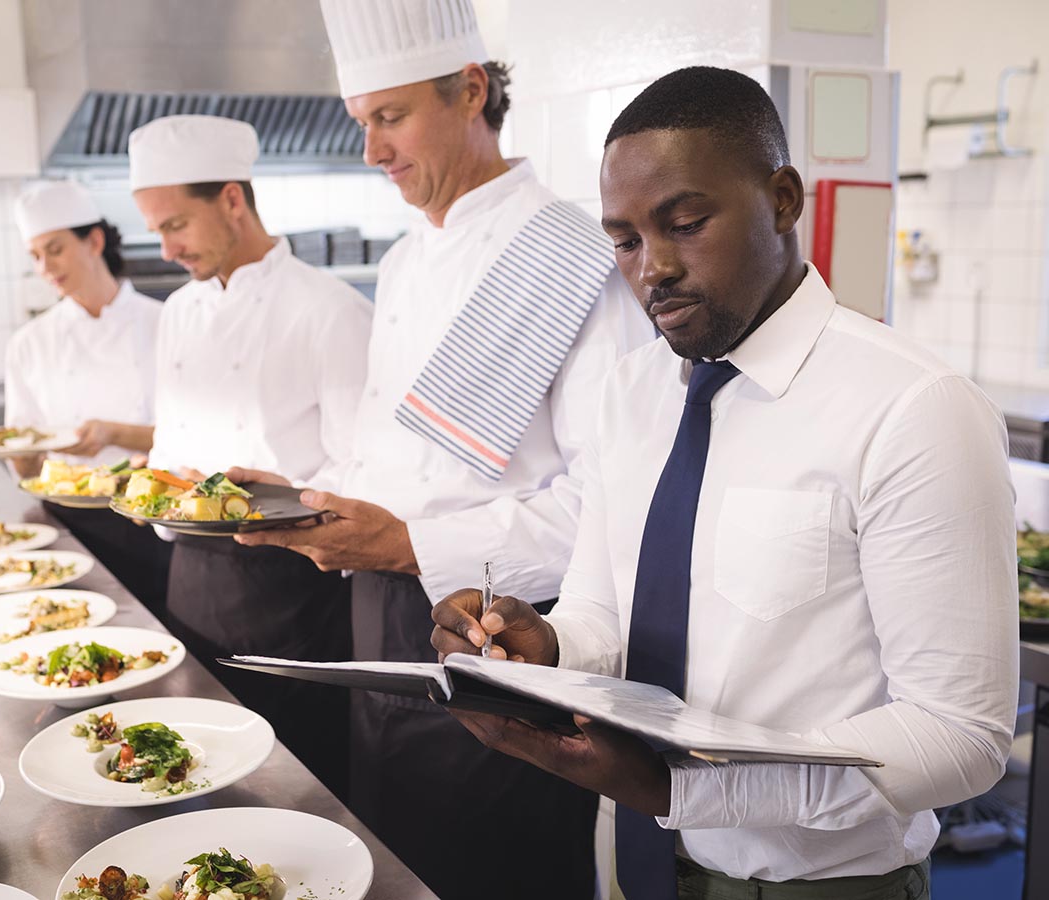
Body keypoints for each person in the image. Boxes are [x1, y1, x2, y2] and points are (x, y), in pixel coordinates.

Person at [431, 66, 1018, 900]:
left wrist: (686, 789)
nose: (653, 268)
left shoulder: (915, 409)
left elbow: (960, 734)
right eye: (626, 240)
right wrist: (548, 647)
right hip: (630, 860)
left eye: (686, 223)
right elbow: (605, 613)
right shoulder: (630, 395)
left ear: (782, 200)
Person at [231, 1, 655, 896]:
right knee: (390, 848)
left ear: (470, 91)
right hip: (379, 619)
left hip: (501, 629)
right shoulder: (400, 261)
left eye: (390, 117)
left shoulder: (573, 254)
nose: (371, 150)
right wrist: (304, 495)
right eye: (362, 123)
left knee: (486, 863)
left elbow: (611, 503)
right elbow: (394, 459)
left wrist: (410, 545)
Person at [128, 114, 373, 798]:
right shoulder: (178, 309)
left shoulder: (331, 311)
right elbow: (165, 447)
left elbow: (362, 473)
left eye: (176, 224)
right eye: (156, 230)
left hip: (291, 597)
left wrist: (288, 494)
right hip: (189, 582)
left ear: (232, 199)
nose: (168, 247)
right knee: (196, 773)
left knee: (297, 787)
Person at [6, 180, 170, 613]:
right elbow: (24, 463)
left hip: (150, 516)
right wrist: (18, 451)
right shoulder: (29, 343)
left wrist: (111, 433)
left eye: (55, 249)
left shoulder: (166, 324)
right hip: (65, 523)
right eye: (35, 256)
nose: (45, 267)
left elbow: (195, 438)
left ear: (94, 240)